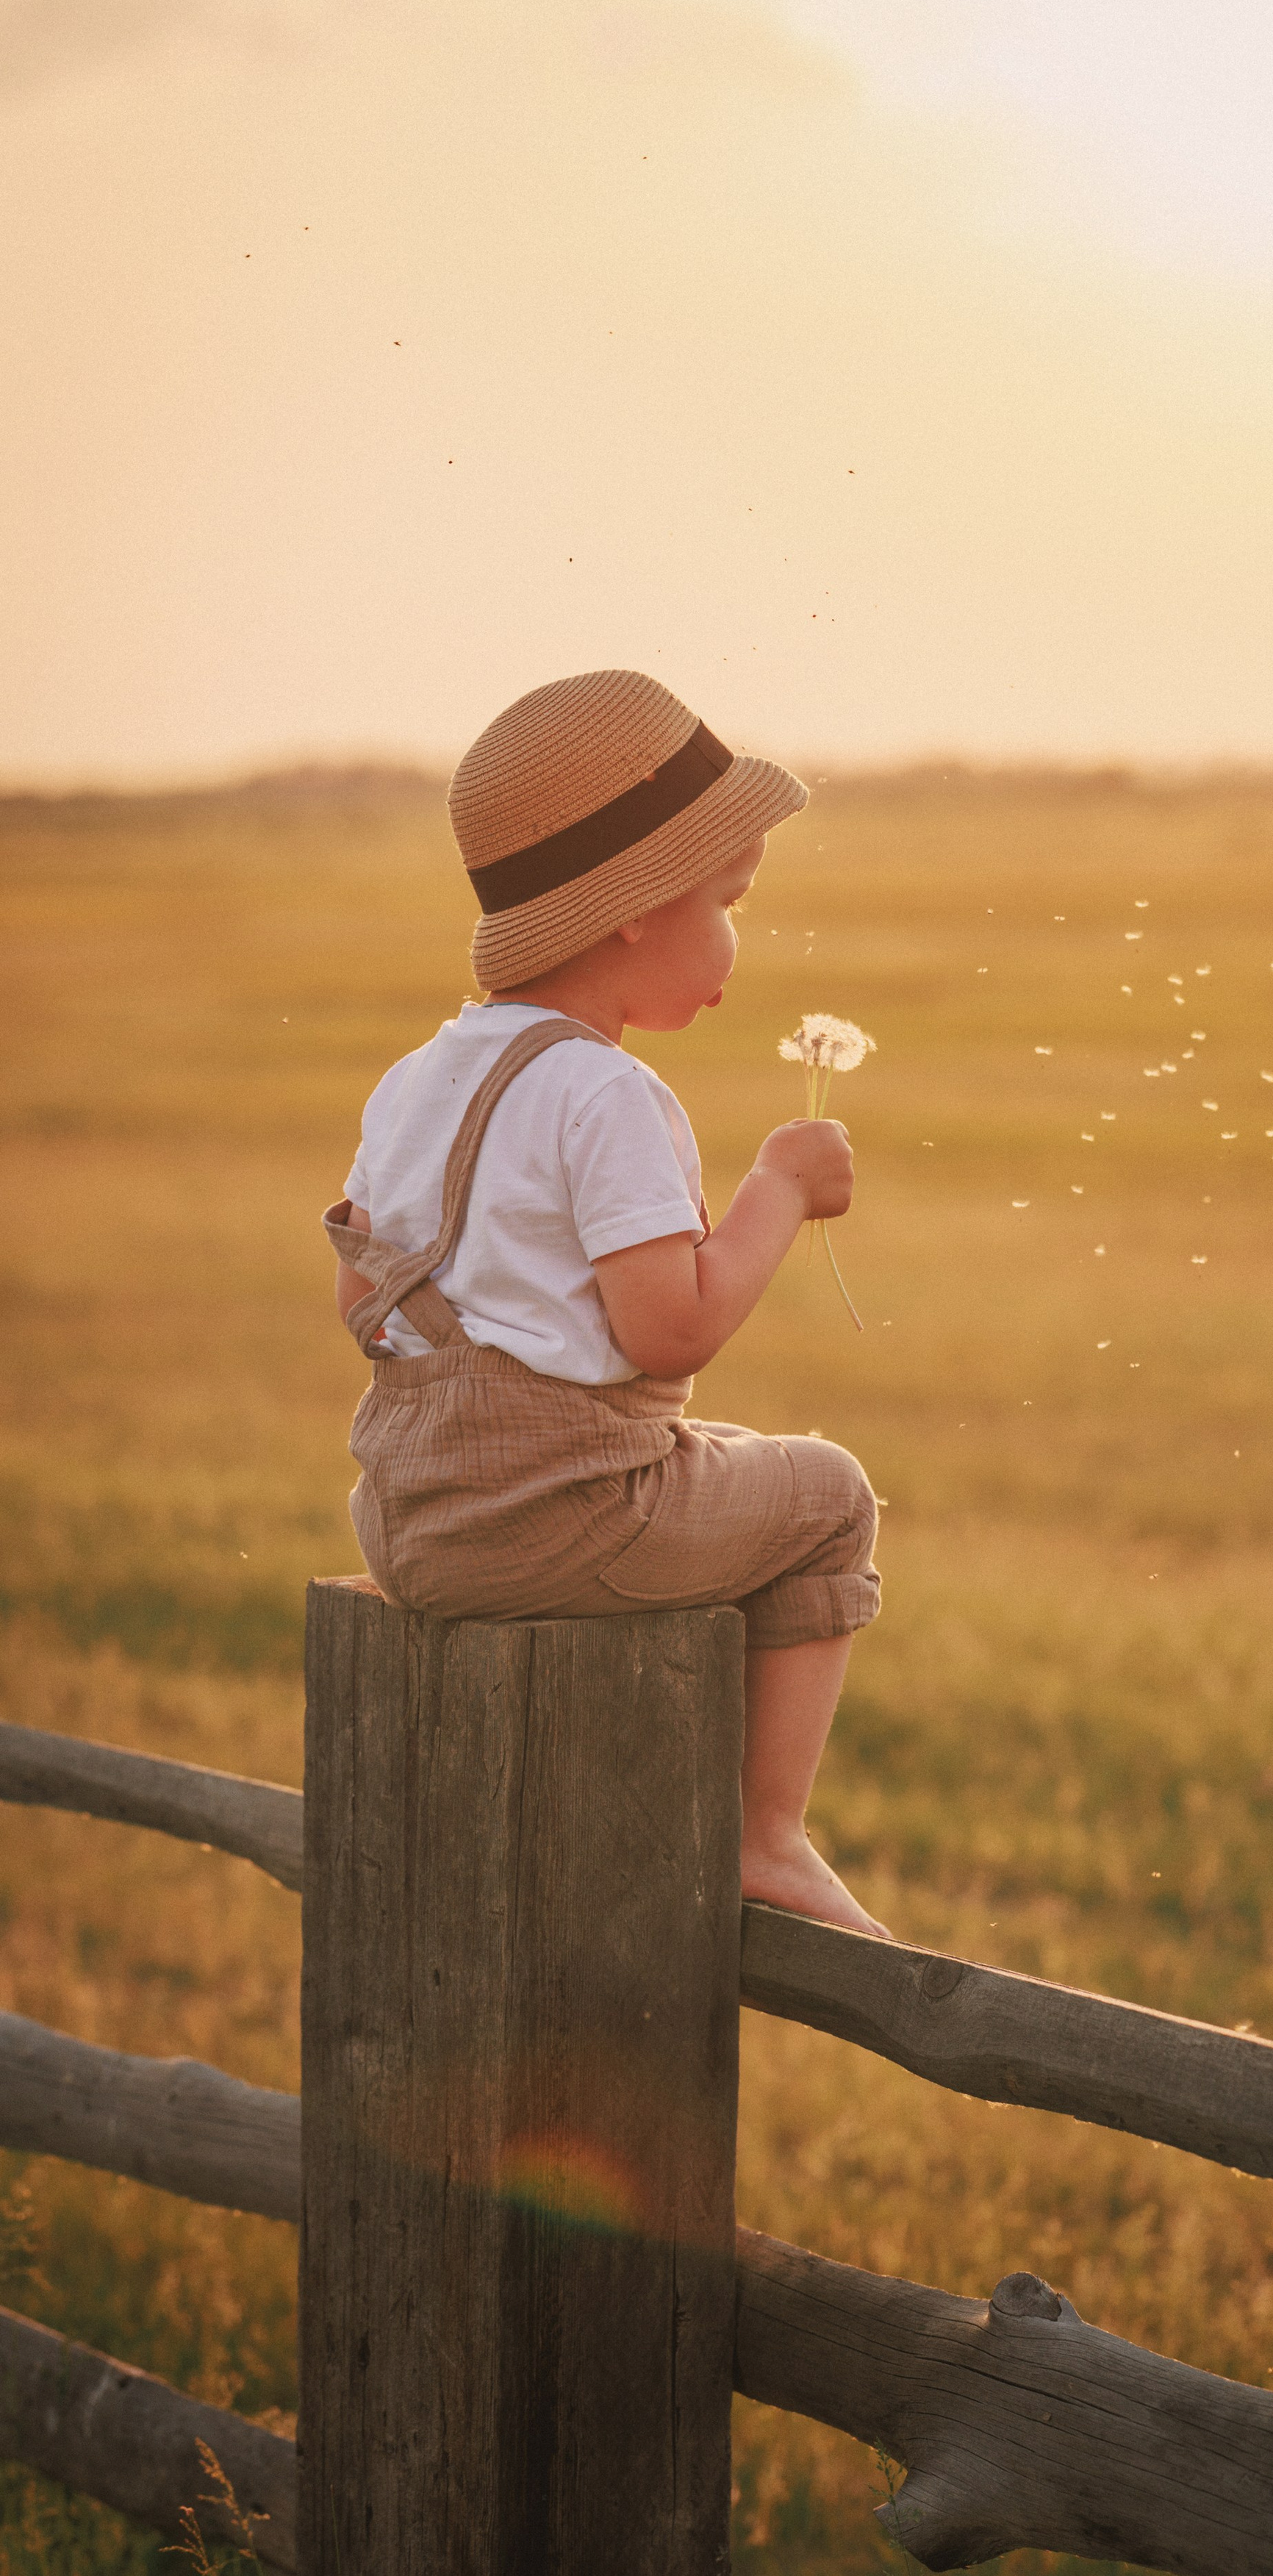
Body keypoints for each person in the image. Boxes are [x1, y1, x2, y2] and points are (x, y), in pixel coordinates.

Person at [325, 667, 884, 1936]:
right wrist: (778, 1194)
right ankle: (767, 1836)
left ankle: (758, 1828)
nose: (741, 935)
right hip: (560, 1523)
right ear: (634, 910)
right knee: (828, 1497)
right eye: (729, 900)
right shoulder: (607, 1094)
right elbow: (669, 1328)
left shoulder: (421, 1075)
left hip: (408, 1516)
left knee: (735, 1460)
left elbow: (361, 1295)